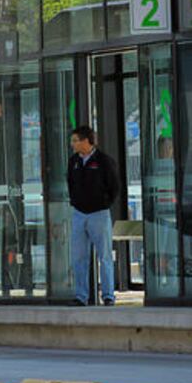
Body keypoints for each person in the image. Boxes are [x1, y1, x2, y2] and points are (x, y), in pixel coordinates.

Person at [67, 125, 120, 306]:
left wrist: (104, 202)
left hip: (99, 213)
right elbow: (70, 183)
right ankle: (81, 296)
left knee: (104, 256)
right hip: (79, 214)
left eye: (75, 140)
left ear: (86, 141)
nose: (72, 144)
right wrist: (75, 201)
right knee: (79, 257)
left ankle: (108, 295)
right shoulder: (73, 162)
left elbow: (114, 186)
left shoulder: (103, 161)